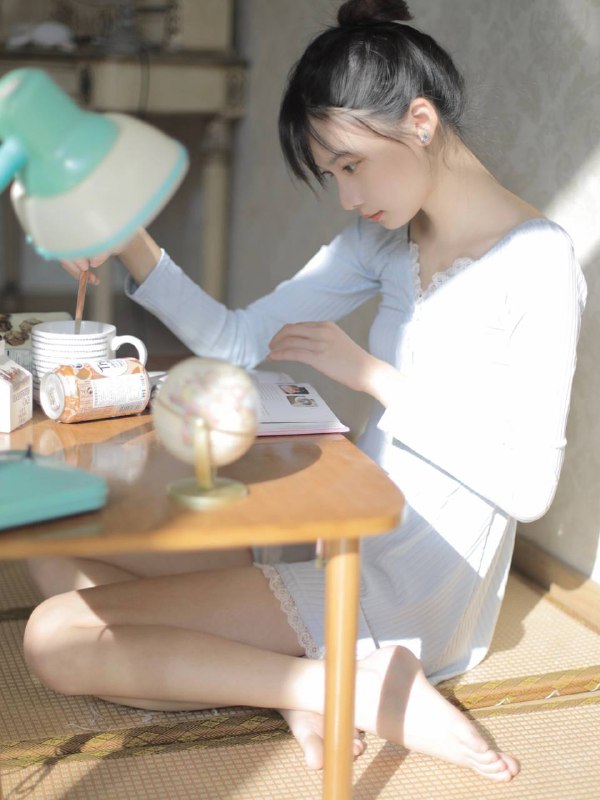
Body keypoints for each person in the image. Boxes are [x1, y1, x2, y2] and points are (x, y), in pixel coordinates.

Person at [23, 0, 586, 782]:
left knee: (53, 636)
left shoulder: (539, 260)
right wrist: (132, 241)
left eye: (352, 165)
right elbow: (237, 340)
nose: (348, 196)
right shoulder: (384, 241)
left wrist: (373, 378)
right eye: (333, 175)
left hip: (414, 582)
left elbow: (527, 489)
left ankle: (351, 686)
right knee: (54, 556)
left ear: (420, 121)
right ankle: (313, 685)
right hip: (333, 531)